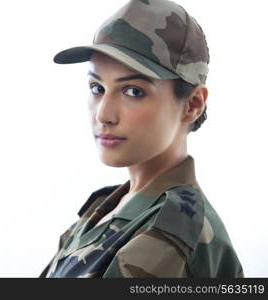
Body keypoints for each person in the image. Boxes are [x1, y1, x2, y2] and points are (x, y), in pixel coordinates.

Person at [39, 0, 243, 278]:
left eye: (133, 91)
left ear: (193, 103)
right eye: (97, 88)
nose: (104, 114)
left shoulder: (170, 231)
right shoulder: (111, 207)